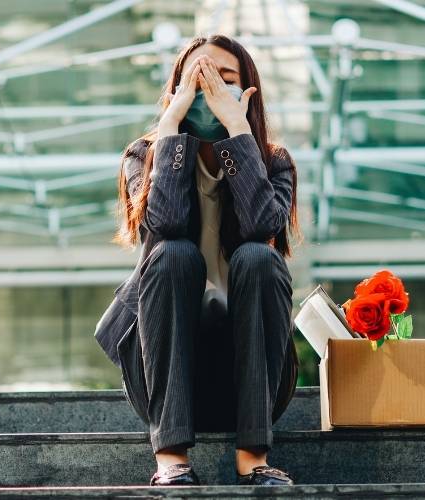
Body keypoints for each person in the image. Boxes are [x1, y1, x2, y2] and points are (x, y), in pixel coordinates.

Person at [93, 33, 303, 487]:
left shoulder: (275, 162)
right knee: (172, 255)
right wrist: (170, 130)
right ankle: (170, 457)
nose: (209, 88)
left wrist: (237, 131)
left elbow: (263, 226)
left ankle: (253, 457)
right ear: (175, 90)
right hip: (165, 372)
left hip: (250, 376)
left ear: (248, 93)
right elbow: (164, 223)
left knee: (257, 259)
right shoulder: (141, 156)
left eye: (223, 80)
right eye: (197, 78)